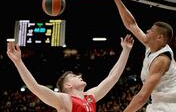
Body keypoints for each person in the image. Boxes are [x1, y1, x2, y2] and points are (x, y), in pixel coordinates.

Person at [6, 34, 134, 112]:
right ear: (68, 86)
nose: (80, 75)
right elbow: (35, 87)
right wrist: (18, 62)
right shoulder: (63, 100)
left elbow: (113, 77)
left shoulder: (90, 96)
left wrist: (126, 51)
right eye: (74, 76)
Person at [112, 0, 176, 112]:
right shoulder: (150, 45)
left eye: (151, 30)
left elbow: (142, 97)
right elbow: (132, 25)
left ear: (159, 37)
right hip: (157, 104)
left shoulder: (161, 60)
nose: (147, 31)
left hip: (165, 108)